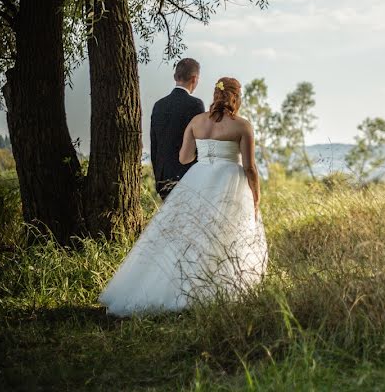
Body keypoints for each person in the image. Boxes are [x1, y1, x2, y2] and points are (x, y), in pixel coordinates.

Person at [99, 77, 267, 316]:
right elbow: (250, 167)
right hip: (230, 181)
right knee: (226, 238)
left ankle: (171, 289)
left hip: (199, 179)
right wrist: (256, 196)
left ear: (215, 95)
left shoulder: (196, 122)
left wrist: (206, 154)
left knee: (187, 237)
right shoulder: (242, 125)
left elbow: (185, 158)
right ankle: (217, 291)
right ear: (236, 97)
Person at [150, 58, 205, 200]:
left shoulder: (159, 105)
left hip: (162, 179)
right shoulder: (195, 105)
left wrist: (158, 178)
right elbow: (199, 144)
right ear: (194, 79)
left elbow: (154, 145)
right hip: (186, 179)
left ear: (175, 77)